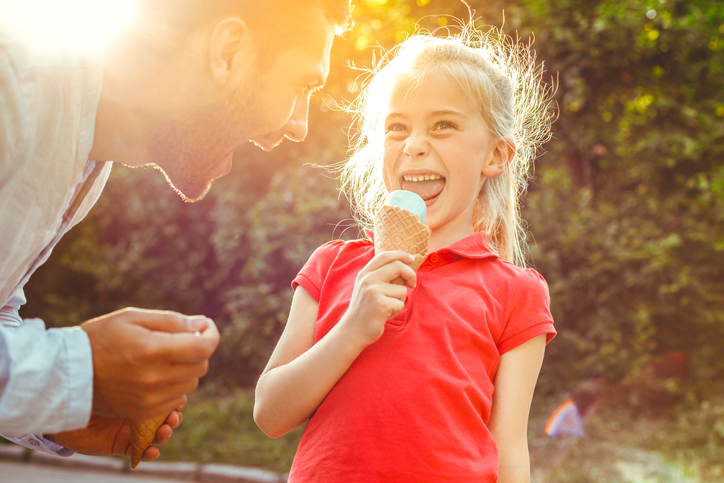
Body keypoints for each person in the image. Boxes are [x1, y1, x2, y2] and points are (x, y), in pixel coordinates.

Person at [0, 0, 351, 464]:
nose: (298, 126)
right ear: (228, 51)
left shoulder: (88, 158)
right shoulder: (13, 84)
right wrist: (76, 369)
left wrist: (61, 412)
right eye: (302, 84)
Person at [254, 24, 556, 482]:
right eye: (397, 127)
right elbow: (270, 412)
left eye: (444, 125)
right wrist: (353, 327)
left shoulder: (515, 293)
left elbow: (509, 450)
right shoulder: (333, 266)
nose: (414, 144)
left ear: (495, 155)